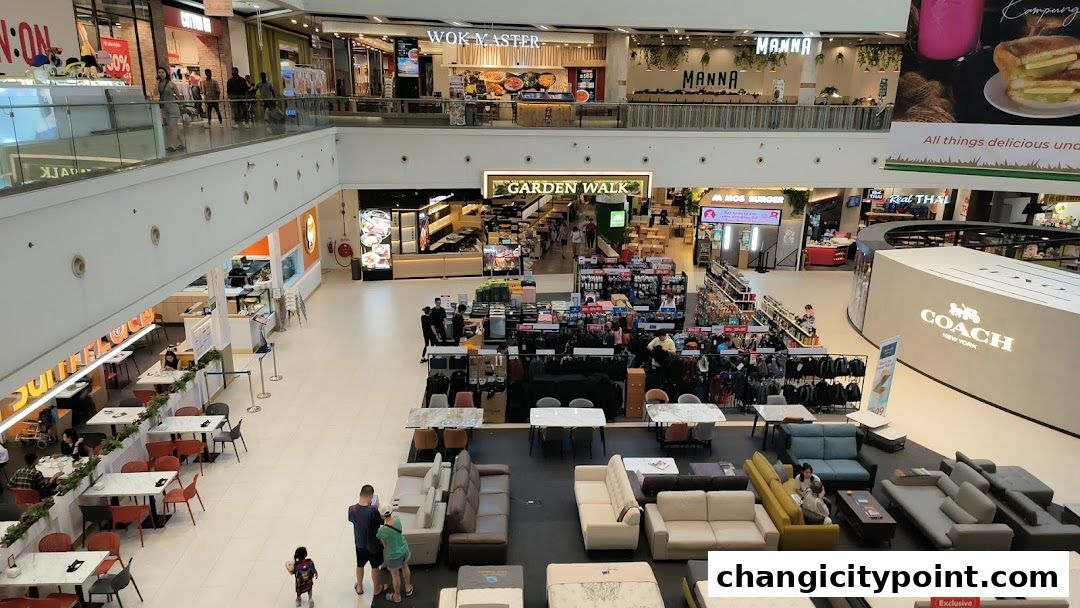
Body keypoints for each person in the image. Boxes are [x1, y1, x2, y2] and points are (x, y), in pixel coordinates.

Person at [348, 486, 385, 597]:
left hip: (360, 544)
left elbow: (351, 519)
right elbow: (382, 521)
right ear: (371, 496)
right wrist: (378, 506)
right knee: (375, 566)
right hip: (373, 544)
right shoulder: (373, 510)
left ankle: (359, 587)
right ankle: (377, 588)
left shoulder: (352, 509)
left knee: (360, 565)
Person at [376, 508, 413, 603]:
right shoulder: (397, 519)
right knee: (405, 566)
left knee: (395, 575)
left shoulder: (382, 531)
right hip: (404, 549)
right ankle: (408, 588)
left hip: (393, 555)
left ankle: (397, 596)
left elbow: (384, 545)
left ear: (382, 515)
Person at [156, 67, 184, 152]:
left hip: (173, 107)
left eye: (162, 72)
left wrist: (182, 106)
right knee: (172, 127)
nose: (161, 74)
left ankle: (172, 145)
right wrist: (155, 85)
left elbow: (178, 95)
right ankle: (181, 143)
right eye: (159, 72)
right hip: (165, 108)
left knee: (172, 127)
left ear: (166, 73)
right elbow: (155, 94)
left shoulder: (171, 84)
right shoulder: (158, 84)